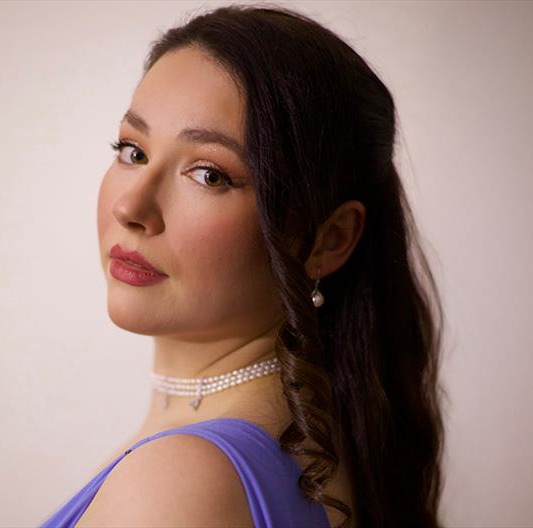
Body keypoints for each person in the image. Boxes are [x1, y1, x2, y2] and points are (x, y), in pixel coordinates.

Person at [40, 4, 445, 528]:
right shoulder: (318, 446)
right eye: (133, 151)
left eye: (209, 175)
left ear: (330, 239)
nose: (130, 208)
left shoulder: (177, 484)